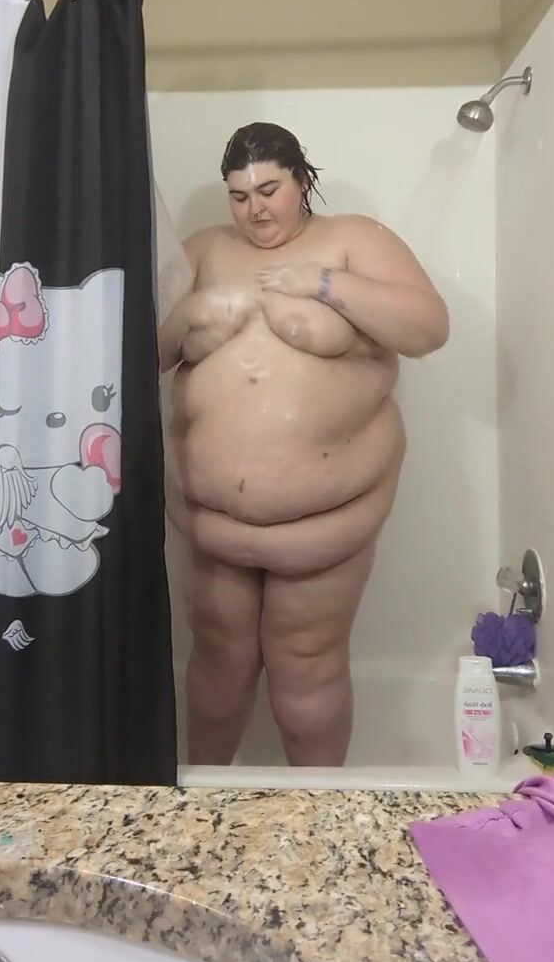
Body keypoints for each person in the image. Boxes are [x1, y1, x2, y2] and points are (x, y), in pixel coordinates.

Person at [159, 122, 449, 767]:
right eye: (240, 196)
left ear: (302, 180)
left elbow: (428, 328)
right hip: (211, 521)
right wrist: (191, 315)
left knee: (305, 664)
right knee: (217, 661)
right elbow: (136, 357)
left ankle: (320, 812)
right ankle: (199, 802)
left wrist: (324, 285)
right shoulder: (202, 250)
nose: (255, 210)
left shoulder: (354, 240)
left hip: (326, 524)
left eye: (270, 190)